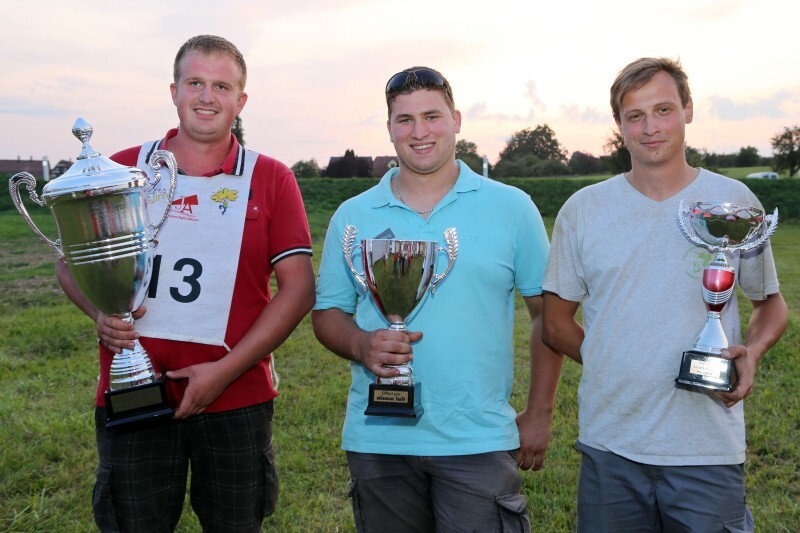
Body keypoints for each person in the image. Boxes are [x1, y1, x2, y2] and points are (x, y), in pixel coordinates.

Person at [55, 35, 315, 531]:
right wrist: (100, 315)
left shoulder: (272, 177)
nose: (206, 97)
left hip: (236, 395)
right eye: (195, 82)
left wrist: (224, 371)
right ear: (173, 90)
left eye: (222, 86)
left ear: (241, 100)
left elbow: (298, 290)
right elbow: (70, 264)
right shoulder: (122, 168)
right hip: (133, 391)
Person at [541, 57, 788, 532]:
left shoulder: (733, 203)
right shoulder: (584, 210)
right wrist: (612, 356)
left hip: (705, 445)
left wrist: (752, 352)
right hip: (611, 444)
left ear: (688, 110)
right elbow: (554, 324)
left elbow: (770, 302)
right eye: (635, 116)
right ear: (619, 125)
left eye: (663, 110)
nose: (650, 128)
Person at [312, 67, 562, 531]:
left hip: (478, 439)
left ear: (457, 119)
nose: (419, 132)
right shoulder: (354, 214)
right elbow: (327, 312)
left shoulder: (512, 207)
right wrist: (361, 345)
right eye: (404, 120)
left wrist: (541, 412)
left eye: (432, 116)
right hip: (378, 437)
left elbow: (547, 316)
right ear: (389, 129)